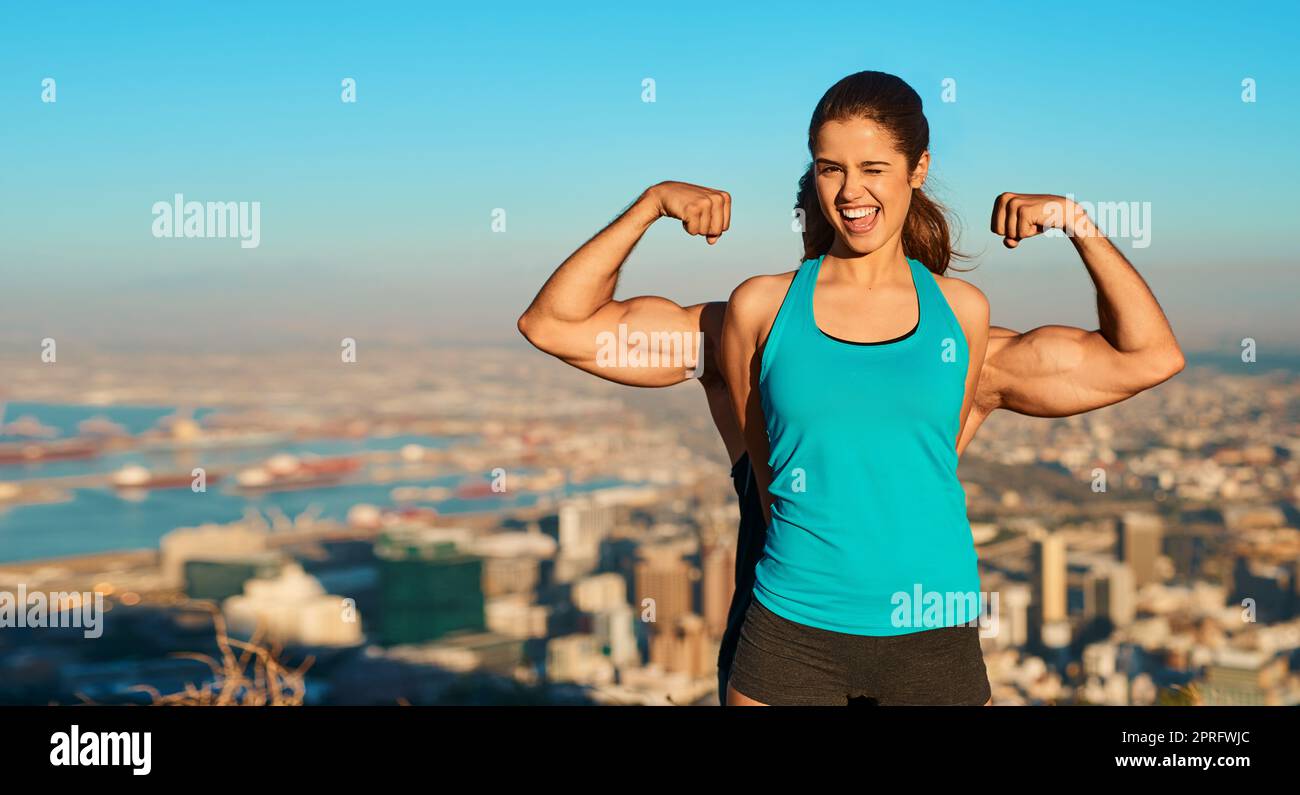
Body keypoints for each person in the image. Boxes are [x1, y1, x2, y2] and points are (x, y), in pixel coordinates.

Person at [518, 80, 1183, 706]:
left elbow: (1147, 355)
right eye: (829, 167)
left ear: (917, 169)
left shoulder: (962, 321)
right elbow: (556, 324)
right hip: (788, 633)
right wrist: (651, 203)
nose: (850, 189)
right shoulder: (759, 310)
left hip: (935, 639)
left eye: (874, 168)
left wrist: (1077, 223)